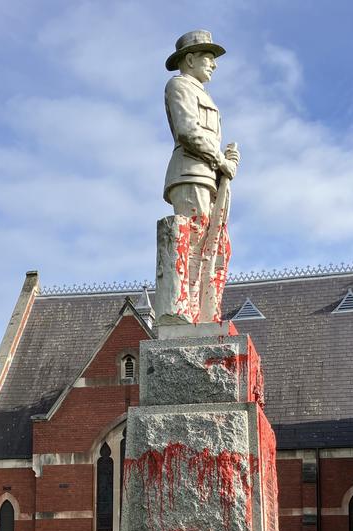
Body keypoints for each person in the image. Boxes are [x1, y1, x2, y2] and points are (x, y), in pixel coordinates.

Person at [157, 31, 240, 325]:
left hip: (208, 178)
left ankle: (202, 312)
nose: (213, 64)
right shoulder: (179, 86)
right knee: (191, 241)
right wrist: (220, 160)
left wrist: (224, 165)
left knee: (213, 245)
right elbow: (187, 131)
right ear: (190, 59)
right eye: (208, 57)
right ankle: (183, 312)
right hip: (189, 174)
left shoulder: (204, 95)